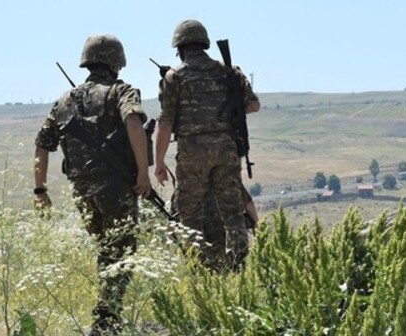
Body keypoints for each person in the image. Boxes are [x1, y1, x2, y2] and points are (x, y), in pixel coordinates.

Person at [33, 34, 150, 335]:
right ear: (116, 63)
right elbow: (134, 123)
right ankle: (106, 323)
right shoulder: (121, 91)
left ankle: (107, 318)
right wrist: (143, 173)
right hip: (115, 188)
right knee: (121, 253)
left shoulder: (64, 100)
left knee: (107, 251)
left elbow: (42, 144)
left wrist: (40, 190)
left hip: (82, 192)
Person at [154, 19, 260, 272]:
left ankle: (198, 267)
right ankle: (238, 265)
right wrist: (229, 111)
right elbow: (253, 105)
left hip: (192, 152)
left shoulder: (174, 77)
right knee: (233, 213)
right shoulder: (228, 72)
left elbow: (166, 121)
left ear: (179, 48)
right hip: (226, 148)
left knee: (190, 215)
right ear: (204, 44)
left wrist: (158, 162)